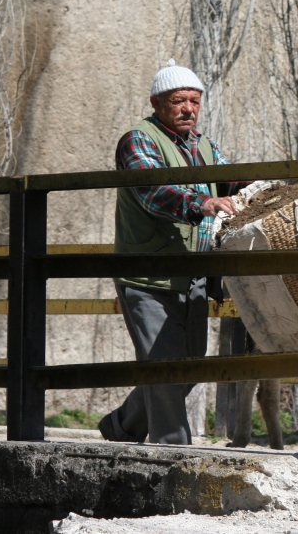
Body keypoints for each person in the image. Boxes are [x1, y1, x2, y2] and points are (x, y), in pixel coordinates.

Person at [98, 59, 243, 445]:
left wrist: (272, 182)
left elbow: (234, 177)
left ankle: (123, 425)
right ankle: (172, 452)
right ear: (157, 103)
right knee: (165, 365)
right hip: (147, 274)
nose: (188, 109)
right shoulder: (138, 139)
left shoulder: (205, 145)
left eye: (194, 101)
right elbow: (152, 191)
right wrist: (202, 203)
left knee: (188, 367)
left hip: (191, 272)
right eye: (179, 101)